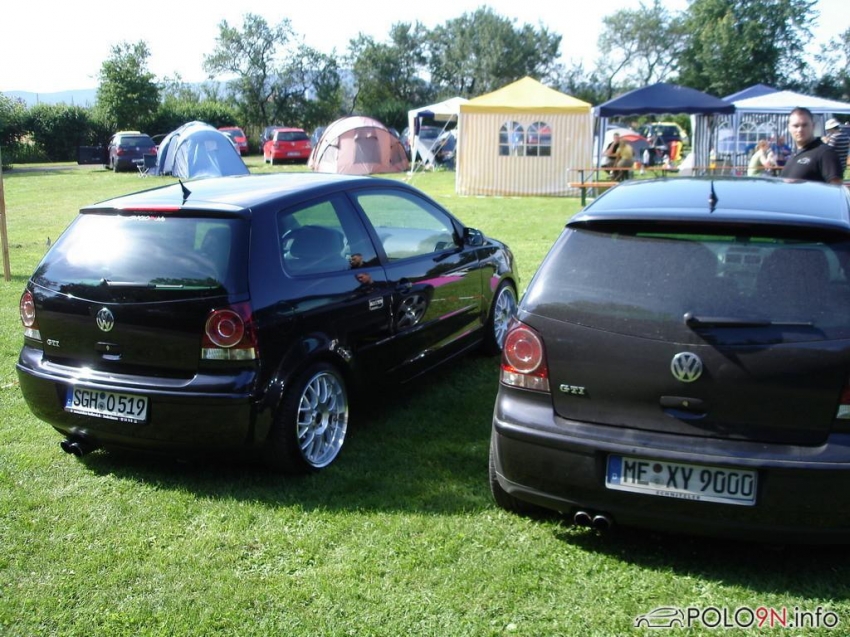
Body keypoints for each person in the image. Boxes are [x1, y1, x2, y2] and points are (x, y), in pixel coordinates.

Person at [780, 107, 843, 184]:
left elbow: (836, 187)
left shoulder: (825, 153)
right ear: (789, 128)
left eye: (804, 125)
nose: (800, 130)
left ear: (813, 126)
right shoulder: (795, 154)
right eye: (796, 126)